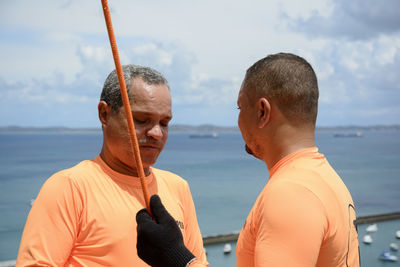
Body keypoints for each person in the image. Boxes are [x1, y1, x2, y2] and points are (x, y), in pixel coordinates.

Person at [136, 53, 360, 267]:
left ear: (262, 111)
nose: (238, 120)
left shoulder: (290, 193)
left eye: (240, 107)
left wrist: (176, 258)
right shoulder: (328, 180)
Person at [16, 65, 208, 267]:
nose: (157, 133)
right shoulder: (69, 188)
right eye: (141, 120)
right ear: (104, 114)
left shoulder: (178, 187)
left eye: (165, 123)